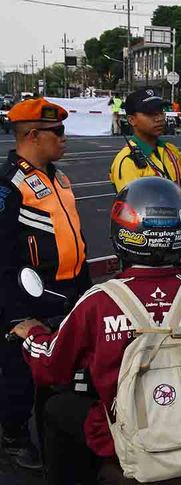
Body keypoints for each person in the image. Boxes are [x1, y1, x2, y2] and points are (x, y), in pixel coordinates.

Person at [10, 177, 181, 484]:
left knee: (56, 407)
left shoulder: (100, 302)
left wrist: (33, 335)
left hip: (118, 438)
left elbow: (51, 366)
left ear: (122, 233)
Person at [0, 98, 91, 469]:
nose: (65, 138)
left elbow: (75, 238)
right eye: (58, 132)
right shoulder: (9, 187)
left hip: (69, 291)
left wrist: (86, 292)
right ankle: (13, 435)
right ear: (33, 135)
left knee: (71, 370)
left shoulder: (58, 177)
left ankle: (63, 433)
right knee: (21, 375)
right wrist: (16, 316)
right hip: (27, 297)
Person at [109, 89, 181, 193]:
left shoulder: (171, 150)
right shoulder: (127, 161)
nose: (159, 118)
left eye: (161, 112)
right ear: (131, 120)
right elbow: (134, 204)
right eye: (150, 113)